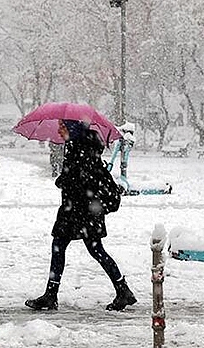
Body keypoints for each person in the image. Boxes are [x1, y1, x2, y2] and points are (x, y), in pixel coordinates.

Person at [25, 119, 136, 312]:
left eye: (62, 126)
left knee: (69, 248)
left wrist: (63, 180)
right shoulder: (81, 146)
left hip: (79, 211)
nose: (59, 130)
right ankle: (122, 289)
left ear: (72, 129)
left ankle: (52, 295)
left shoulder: (79, 148)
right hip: (83, 211)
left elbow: (80, 180)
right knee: (89, 250)